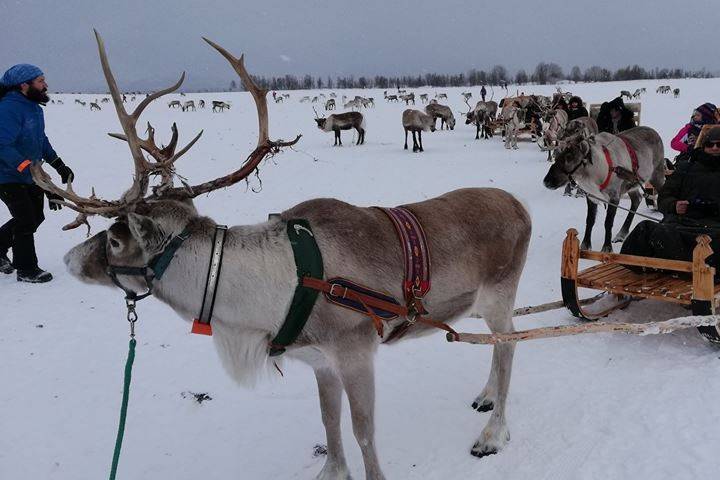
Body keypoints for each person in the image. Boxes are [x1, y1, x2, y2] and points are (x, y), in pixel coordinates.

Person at [0, 64, 74, 283]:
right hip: (7, 176)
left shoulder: (34, 108)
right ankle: (26, 269)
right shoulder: (8, 109)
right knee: (25, 219)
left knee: (36, 217)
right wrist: (27, 167)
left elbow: (40, 141)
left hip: (31, 175)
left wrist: (58, 164)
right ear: (24, 85)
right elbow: (2, 145)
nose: (46, 85)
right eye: (40, 81)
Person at [620, 128, 720, 275]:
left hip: (714, 229)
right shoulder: (687, 168)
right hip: (680, 225)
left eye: (719, 144)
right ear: (704, 146)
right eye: (710, 144)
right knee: (644, 231)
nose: (714, 148)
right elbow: (665, 196)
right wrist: (674, 205)